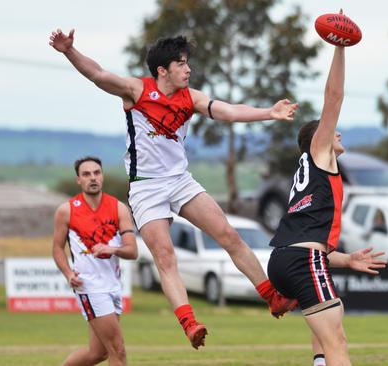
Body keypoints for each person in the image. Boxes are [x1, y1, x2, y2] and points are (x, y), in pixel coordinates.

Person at [49, 29, 298, 349]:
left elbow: (229, 111)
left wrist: (268, 113)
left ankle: (271, 297)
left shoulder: (191, 97)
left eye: (187, 63)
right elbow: (97, 74)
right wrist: (70, 51)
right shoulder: (136, 90)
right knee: (165, 257)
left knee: (228, 234)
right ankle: (190, 323)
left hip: (180, 181)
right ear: (162, 70)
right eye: (181, 63)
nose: (188, 69)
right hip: (146, 189)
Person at [266, 41, 386, 366]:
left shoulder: (308, 173)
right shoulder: (320, 154)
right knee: (338, 343)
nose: (339, 134)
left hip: (285, 258)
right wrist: (340, 47)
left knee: (324, 337)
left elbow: (309, 241)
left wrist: (347, 260)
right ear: (318, 138)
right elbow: (333, 97)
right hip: (303, 260)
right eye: (332, 132)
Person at [52, 156, 138, 366]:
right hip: (89, 286)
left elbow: (132, 251)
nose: (93, 178)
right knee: (118, 349)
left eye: (96, 173)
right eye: (86, 174)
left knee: (98, 353)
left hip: (113, 285)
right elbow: (57, 249)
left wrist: (111, 249)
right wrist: (69, 274)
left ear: (102, 176)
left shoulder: (119, 208)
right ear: (78, 180)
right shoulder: (67, 210)